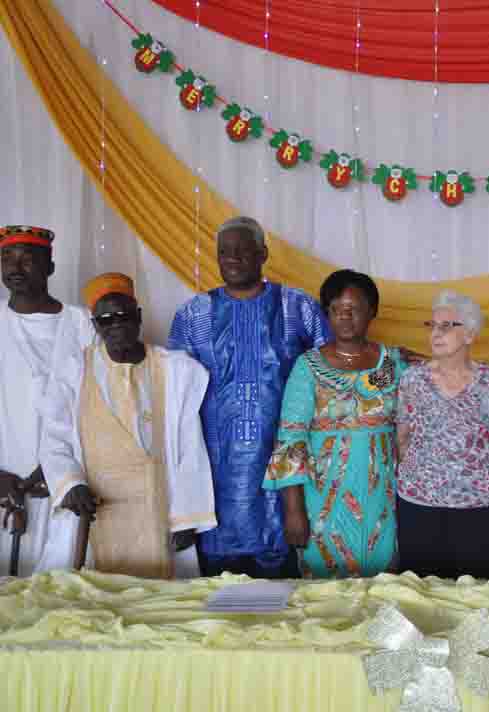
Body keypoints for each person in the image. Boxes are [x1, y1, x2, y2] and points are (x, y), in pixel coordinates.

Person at [168, 216, 330, 578]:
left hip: (282, 475)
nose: (233, 259)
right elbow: (174, 399)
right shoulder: (194, 314)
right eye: (224, 252)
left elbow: (332, 373)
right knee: (219, 607)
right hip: (212, 473)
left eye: (243, 251)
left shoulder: (297, 308)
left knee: (280, 606)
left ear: (263, 255)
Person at [37, 274, 217, 578]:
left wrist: (187, 517)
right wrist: (70, 483)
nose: (116, 325)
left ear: (139, 317)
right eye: (106, 320)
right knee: (96, 599)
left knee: (160, 603)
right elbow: (54, 436)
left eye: (123, 316)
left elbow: (190, 446)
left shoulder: (175, 370)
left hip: (157, 506)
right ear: (95, 326)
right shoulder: (73, 369)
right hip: (96, 508)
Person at [263, 270, 405, 578]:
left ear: (372, 311)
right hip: (322, 499)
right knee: (326, 600)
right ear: (327, 313)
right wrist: (293, 510)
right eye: (337, 309)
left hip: (383, 497)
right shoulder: (309, 367)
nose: (345, 316)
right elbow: (291, 440)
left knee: (381, 589)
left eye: (354, 308)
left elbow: (399, 405)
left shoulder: (390, 362)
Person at [395, 290, 489, 579]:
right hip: (420, 507)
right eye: (433, 326)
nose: (436, 333)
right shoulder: (412, 379)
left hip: (479, 509)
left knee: (475, 595)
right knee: (422, 595)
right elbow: (402, 438)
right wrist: (424, 480)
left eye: (447, 326)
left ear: (470, 335)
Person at [0, 226, 94, 576]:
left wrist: (61, 470)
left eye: (28, 259)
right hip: (5, 489)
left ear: (50, 266)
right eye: (7, 258)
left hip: (66, 488)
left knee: (61, 606)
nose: (15, 268)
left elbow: (99, 406)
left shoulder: (83, 324)